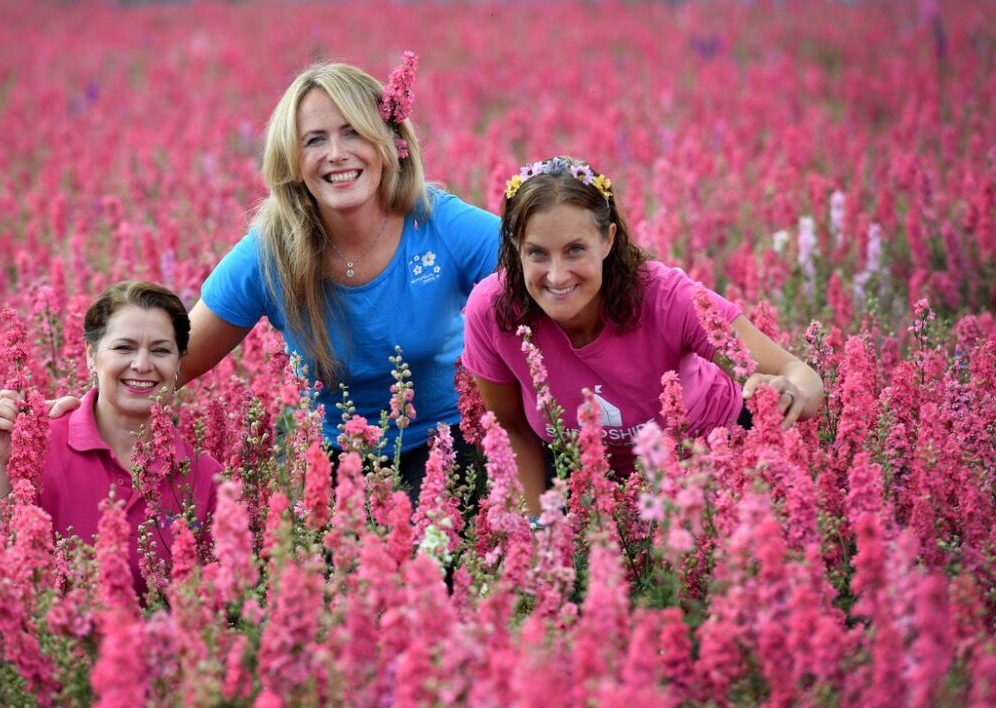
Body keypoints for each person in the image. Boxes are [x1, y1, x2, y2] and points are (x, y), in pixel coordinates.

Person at [179, 56, 500, 489]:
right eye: (314, 140)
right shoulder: (271, 249)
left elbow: (541, 277)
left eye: (353, 132)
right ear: (292, 162)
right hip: (329, 456)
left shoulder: (438, 222)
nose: (336, 154)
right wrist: (90, 405)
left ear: (389, 143)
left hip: (446, 444)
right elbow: (179, 359)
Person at [462, 156, 824, 514]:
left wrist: (791, 394)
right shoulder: (493, 311)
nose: (557, 276)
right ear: (515, 247)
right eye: (537, 253)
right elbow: (511, 427)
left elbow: (800, 374)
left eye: (575, 249)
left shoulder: (667, 299)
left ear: (607, 240)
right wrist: (534, 528)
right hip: (593, 485)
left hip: (711, 461)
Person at [0, 281, 223, 593]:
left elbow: (224, 605)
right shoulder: (39, 446)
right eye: (124, 348)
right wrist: (5, 465)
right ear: (91, 356)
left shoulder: (205, 477)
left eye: (161, 351)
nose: (141, 365)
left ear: (178, 363)